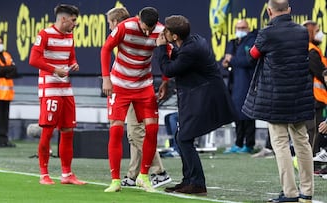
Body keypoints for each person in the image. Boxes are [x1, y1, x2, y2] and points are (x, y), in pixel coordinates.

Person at [242, 0, 314, 202]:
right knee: (302, 142)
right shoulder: (301, 32)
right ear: (289, 10)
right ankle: (307, 192)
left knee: (281, 144)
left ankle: (290, 193)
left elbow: (252, 55)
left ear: (268, 11)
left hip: (275, 97)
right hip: (299, 95)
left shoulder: (267, 33)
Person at [156, 15, 236, 196]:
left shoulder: (190, 51)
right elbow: (178, 58)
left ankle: (198, 183)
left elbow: (169, 69)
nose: (163, 33)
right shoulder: (194, 41)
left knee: (184, 138)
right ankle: (188, 180)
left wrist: (161, 48)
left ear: (175, 36)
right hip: (199, 94)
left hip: (205, 97)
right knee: (181, 137)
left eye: (167, 31)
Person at [100, 7, 169, 192]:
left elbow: (166, 55)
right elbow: (106, 49)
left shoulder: (160, 31)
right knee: (116, 131)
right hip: (119, 85)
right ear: (138, 19)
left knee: (152, 129)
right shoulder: (124, 27)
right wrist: (106, 78)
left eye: (150, 29)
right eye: (145, 28)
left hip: (144, 85)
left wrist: (164, 82)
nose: (147, 33)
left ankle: (143, 176)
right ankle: (115, 180)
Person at [29, 4, 85, 185]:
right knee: (48, 130)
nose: (75, 24)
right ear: (63, 19)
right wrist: (54, 69)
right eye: (73, 20)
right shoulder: (44, 34)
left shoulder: (69, 36)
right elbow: (34, 59)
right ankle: (44, 174)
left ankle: (67, 174)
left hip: (66, 88)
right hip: (50, 88)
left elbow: (71, 57)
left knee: (68, 130)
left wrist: (74, 64)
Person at [222, 19, 257, 154]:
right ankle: (238, 142)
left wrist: (232, 60)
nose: (240, 30)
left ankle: (249, 144)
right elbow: (227, 59)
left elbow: (249, 60)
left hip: (247, 81)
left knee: (247, 114)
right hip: (235, 82)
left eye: (243, 27)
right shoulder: (234, 42)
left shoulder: (252, 41)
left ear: (248, 28)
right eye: (238, 28)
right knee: (236, 113)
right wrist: (227, 62)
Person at [302, 20, 327, 158]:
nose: (321, 34)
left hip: (313, 96)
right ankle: (310, 159)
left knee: (314, 129)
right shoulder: (311, 51)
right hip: (313, 97)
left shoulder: (312, 50)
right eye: (317, 31)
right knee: (314, 129)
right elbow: (321, 73)